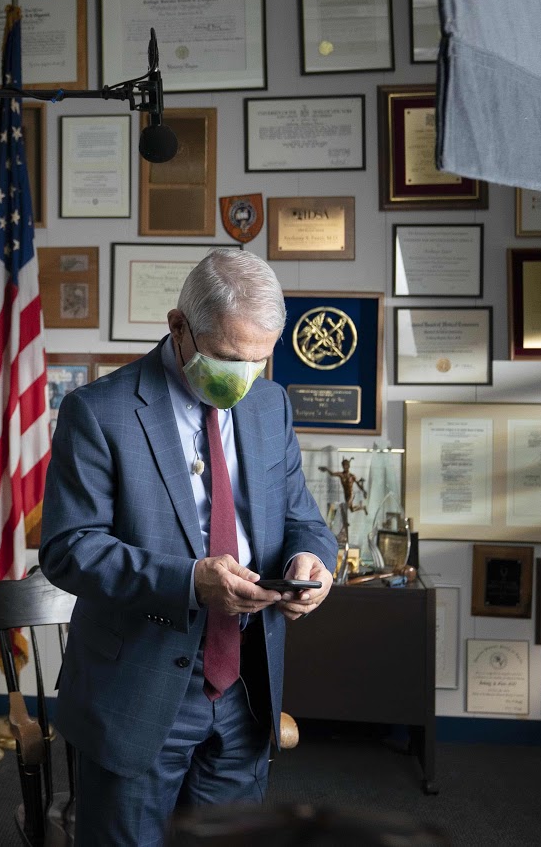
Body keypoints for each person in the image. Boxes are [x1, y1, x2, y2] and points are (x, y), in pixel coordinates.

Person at [40, 249, 337, 846]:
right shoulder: (98, 411)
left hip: (246, 688)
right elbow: (69, 548)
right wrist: (189, 581)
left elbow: (302, 519)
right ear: (179, 326)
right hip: (137, 688)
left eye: (258, 359)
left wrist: (313, 563)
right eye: (228, 357)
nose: (244, 376)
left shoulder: (269, 404)